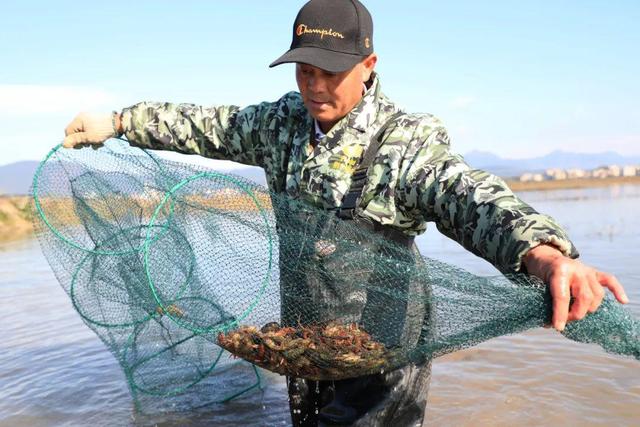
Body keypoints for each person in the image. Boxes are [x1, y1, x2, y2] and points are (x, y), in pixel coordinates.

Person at [63, 0, 629, 425]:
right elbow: (204, 125)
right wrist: (118, 121)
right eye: (303, 69)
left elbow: (470, 196)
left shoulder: (406, 141)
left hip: (385, 347)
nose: (313, 84)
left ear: (368, 63)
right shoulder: (278, 124)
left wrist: (545, 254)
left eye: (328, 70)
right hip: (303, 336)